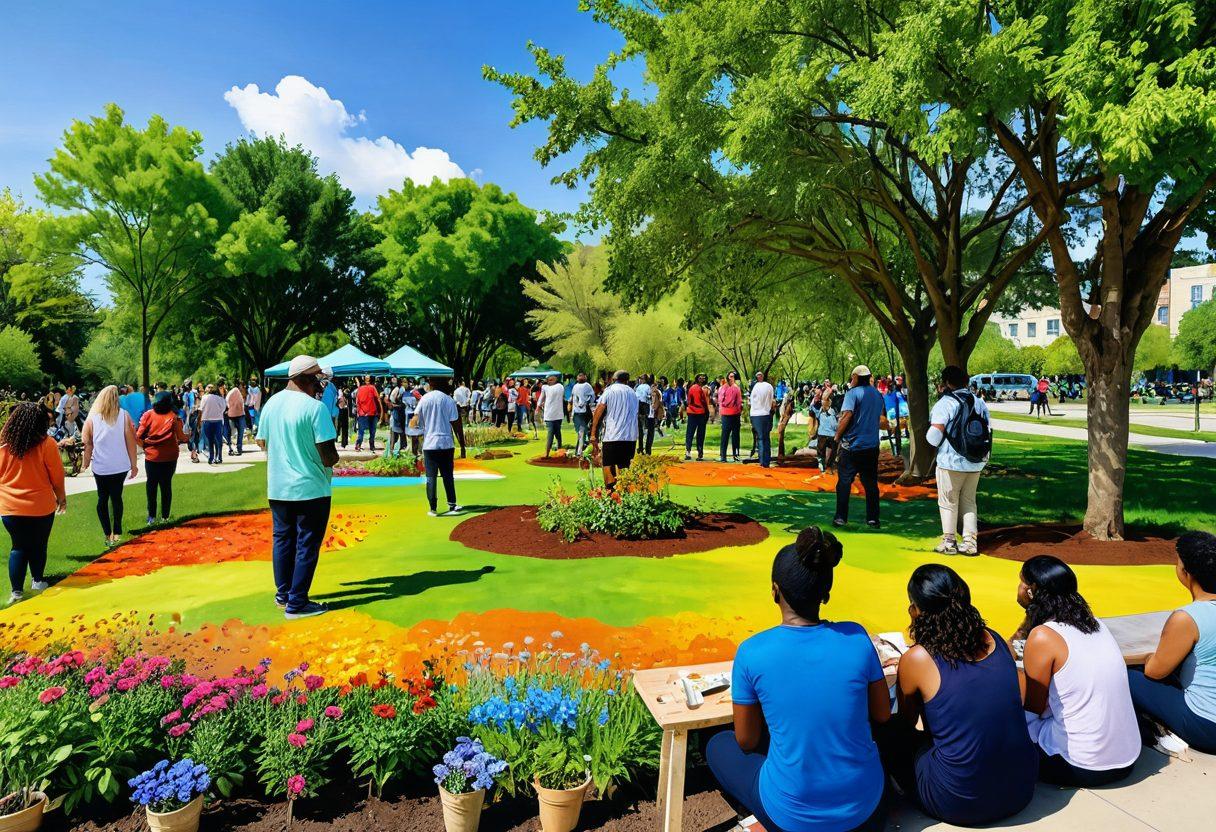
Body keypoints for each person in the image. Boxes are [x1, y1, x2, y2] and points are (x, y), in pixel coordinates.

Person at [706, 527, 889, 832]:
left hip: (792, 819)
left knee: (716, 745)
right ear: (825, 591)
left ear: (775, 591)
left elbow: (747, 740)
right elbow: (882, 713)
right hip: (865, 811)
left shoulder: (752, 652)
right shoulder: (857, 638)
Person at [879, 564, 1037, 826]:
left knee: (886, 731)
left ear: (916, 610)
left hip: (960, 801)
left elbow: (907, 723)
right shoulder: (996, 640)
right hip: (1021, 788)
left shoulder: (917, 659)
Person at [1016, 555, 1140, 786]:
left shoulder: (1043, 636)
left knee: (1008, 712)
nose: (1018, 589)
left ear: (1032, 591)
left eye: (1021, 582)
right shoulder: (1096, 623)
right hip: (1126, 759)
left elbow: (1033, 706)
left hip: (1081, 765)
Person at [255, 355, 339, 620]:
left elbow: (262, 442)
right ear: (303, 378)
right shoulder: (315, 408)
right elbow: (328, 454)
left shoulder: (272, 404)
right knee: (306, 544)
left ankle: (284, 595)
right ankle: (298, 603)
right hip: (310, 487)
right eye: (316, 379)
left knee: (283, 539)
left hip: (279, 486)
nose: (320, 385)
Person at [1128, 531, 1216, 752]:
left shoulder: (1187, 618)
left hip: (1206, 726)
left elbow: (1155, 671)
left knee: (1125, 675)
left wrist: (1145, 657)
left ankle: (1150, 734)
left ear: (1185, 571)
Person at [0, 403, 66, 604]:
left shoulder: (4, 444)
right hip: (40, 506)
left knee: (18, 547)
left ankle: (16, 593)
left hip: (10, 508)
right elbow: (56, 476)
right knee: (38, 545)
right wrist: (61, 497)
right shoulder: (48, 444)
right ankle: (37, 581)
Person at [927, 366, 991, 555]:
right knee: (969, 501)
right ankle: (970, 542)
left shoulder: (945, 403)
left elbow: (934, 436)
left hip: (950, 461)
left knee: (948, 501)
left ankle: (949, 542)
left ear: (947, 382)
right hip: (975, 460)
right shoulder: (979, 402)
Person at [81, 385, 138, 546]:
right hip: (120, 466)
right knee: (116, 497)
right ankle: (117, 531)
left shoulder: (93, 420)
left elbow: (88, 445)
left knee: (102, 499)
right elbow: (130, 442)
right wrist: (134, 464)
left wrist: (85, 464)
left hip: (101, 467)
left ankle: (108, 534)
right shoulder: (124, 416)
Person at [833, 366, 883, 529]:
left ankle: (841, 517)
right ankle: (873, 518)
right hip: (871, 446)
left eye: (852, 377)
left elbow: (847, 415)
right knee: (870, 484)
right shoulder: (877, 394)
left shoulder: (852, 394)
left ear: (855, 377)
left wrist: (837, 436)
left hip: (852, 446)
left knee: (844, 482)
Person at [414, 377, 467, 516]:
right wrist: (462, 445)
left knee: (431, 477)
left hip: (430, 443)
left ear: (431, 385)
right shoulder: (448, 400)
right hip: (446, 442)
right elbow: (455, 423)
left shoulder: (424, 399)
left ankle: (433, 508)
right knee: (448, 475)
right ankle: (452, 504)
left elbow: (416, 419)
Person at [135, 391, 189, 526]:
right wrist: (189, 436)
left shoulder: (148, 415)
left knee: (151, 486)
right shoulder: (174, 417)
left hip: (152, 458)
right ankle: (165, 516)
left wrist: (145, 447)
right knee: (166, 486)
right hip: (170, 457)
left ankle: (151, 517)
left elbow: (138, 436)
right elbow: (182, 437)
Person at [590, 370, 639, 491]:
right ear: (627, 380)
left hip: (612, 435)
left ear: (613, 379)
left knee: (607, 465)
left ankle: (610, 493)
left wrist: (593, 433)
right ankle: (624, 496)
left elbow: (599, 410)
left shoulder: (609, 391)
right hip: (630, 437)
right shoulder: (633, 393)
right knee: (624, 468)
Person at [749, 371, 775, 468]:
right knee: (765, 437)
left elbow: (752, 401)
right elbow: (771, 398)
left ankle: (763, 460)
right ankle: (765, 461)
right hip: (765, 413)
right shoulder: (768, 387)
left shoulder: (756, 387)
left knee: (760, 438)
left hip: (757, 414)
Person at [538, 373, 567, 458]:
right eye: (549, 379)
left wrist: (538, 406)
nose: (550, 381)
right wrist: (538, 405)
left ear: (556, 379)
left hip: (552, 414)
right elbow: (541, 397)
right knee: (556, 432)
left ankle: (550, 452)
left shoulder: (553, 387)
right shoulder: (559, 387)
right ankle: (558, 450)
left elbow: (541, 398)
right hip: (555, 414)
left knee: (553, 433)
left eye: (552, 379)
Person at [717, 371, 743, 462]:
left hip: (734, 414)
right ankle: (723, 455)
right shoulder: (723, 388)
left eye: (733, 376)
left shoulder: (736, 388)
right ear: (727, 377)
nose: (732, 378)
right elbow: (721, 401)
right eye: (730, 376)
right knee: (725, 435)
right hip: (726, 414)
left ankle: (736, 454)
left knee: (736, 435)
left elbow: (739, 402)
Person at [684, 373, 710, 461]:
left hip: (692, 412)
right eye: (700, 378)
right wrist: (707, 412)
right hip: (701, 413)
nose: (702, 379)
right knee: (700, 433)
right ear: (697, 379)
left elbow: (688, 401)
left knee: (690, 432)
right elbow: (704, 403)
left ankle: (688, 451)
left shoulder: (692, 388)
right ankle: (700, 453)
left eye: (703, 378)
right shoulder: (702, 389)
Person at [812, 389, 839, 472]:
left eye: (825, 400)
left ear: (829, 402)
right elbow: (812, 407)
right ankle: (822, 464)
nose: (823, 402)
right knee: (821, 450)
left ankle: (830, 464)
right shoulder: (820, 411)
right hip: (822, 434)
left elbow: (835, 425)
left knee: (832, 449)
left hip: (831, 435)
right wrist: (815, 398)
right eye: (822, 400)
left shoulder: (833, 412)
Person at [200, 384, 226, 465]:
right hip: (217, 420)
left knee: (210, 440)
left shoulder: (204, 398)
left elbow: (201, 409)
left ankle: (211, 457)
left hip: (207, 421)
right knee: (218, 440)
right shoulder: (220, 399)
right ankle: (219, 457)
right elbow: (223, 409)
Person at [570, 372, 596, 457]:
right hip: (580, 412)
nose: (580, 377)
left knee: (581, 431)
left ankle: (579, 450)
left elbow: (591, 398)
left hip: (582, 412)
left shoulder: (584, 386)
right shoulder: (583, 386)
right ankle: (580, 450)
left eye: (582, 376)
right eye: (579, 376)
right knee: (582, 431)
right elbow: (592, 398)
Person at [354, 375, 381, 452]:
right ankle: (371, 446)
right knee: (372, 431)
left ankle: (358, 445)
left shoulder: (360, 389)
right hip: (372, 412)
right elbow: (378, 399)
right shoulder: (373, 388)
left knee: (361, 431)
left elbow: (357, 402)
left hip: (363, 413)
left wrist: (359, 412)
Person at [225, 382, 246, 456]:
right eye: (242, 386)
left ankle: (235, 448)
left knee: (235, 433)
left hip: (234, 414)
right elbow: (227, 401)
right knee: (238, 433)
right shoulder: (235, 391)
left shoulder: (238, 392)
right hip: (236, 415)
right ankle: (236, 448)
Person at [634, 373, 653, 455]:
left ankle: (641, 447)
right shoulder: (643, 387)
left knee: (641, 429)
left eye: (641, 378)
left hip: (641, 406)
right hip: (643, 405)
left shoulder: (641, 387)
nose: (640, 380)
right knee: (643, 428)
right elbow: (649, 396)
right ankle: (642, 447)